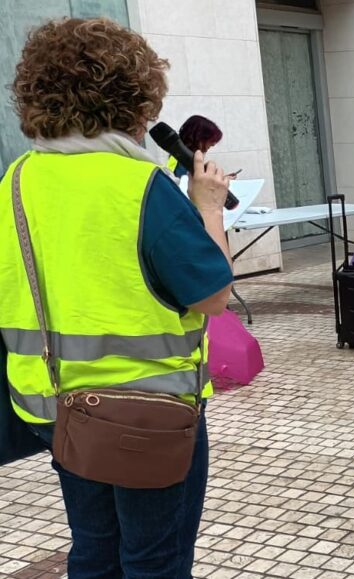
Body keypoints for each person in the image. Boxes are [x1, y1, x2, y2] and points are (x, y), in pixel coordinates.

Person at [0, 17, 233, 577]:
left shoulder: (14, 182)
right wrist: (207, 205)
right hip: (146, 416)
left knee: (94, 549)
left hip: (51, 409)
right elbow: (214, 297)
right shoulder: (141, 186)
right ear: (135, 97)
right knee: (155, 561)